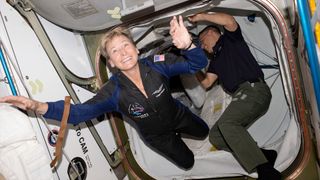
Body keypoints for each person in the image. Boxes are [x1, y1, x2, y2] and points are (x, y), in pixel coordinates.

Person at [0, 16, 209, 170]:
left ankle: (185, 130)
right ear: (111, 63)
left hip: (179, 115)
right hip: (158, 137)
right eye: (115, 51)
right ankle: (175, 141)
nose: (123, 53)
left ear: (136, 49)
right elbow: (78, 113)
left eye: (125, 45)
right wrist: (38, 107)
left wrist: (188, 45)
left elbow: (195, 65)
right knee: (187, 163)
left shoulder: (158, 65)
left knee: (204, 132)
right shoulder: (112, 92)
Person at [188, 12, 282, 179]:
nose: (202, 47)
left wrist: (200, 16)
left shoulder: (230, 40)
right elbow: (206, 83)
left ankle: (265, 171)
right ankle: (265, 155)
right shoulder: (215, 62)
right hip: (241, 96)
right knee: (216, 136)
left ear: (210, 33)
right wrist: (192, 65)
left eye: (202, 43)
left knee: (228, 124)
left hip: (253, 89)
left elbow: (229, 20)